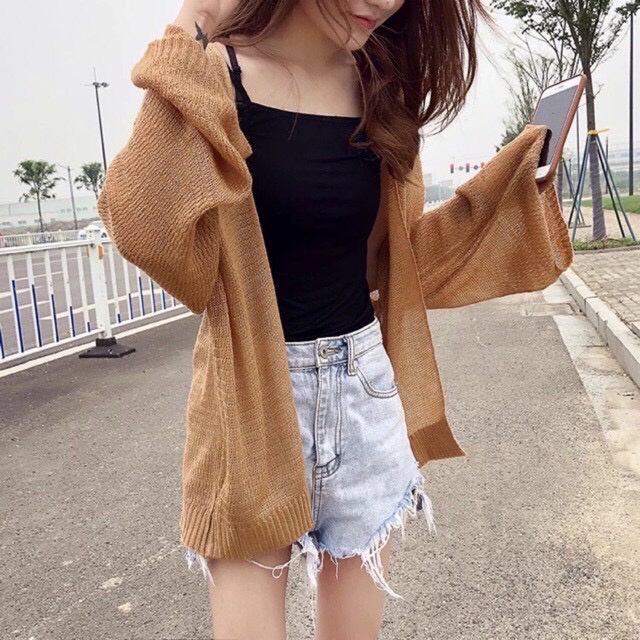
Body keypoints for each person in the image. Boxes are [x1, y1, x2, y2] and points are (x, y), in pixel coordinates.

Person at [99, 1, 565, 638]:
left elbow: (399, 263)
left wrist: (508, 188)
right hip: (250, 407)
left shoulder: (380, 92)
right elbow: (140, 222)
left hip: (364, 396)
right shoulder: (215, 73)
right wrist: (198, 15)